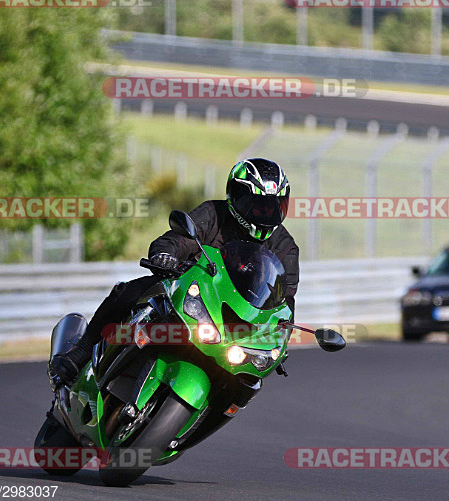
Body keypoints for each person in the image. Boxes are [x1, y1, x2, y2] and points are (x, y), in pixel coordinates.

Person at [49, 158, 299, 386]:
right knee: (130, 291)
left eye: (273, 206)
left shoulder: (285, 247)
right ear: (238, 197)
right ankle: (79, 353)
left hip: (237, 318)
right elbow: (178, 240)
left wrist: (281, 333)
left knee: (250, 379)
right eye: (259, 206)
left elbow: (285, 299)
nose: (267, 214)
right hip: (191, 293)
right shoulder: (214, 214)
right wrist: (165, 255)